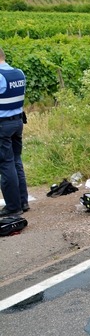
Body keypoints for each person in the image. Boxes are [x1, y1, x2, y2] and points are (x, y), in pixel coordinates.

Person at [0, 46, 29, 217]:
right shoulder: (19, 73)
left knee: (5, 163)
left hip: (2, 125)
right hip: (17, 122)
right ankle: (23, 201)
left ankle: (13, 206)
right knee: (16, 161)